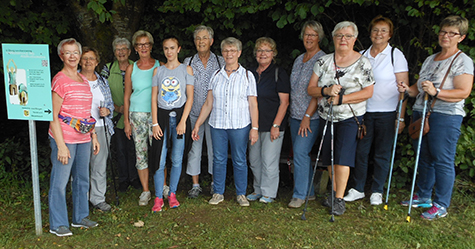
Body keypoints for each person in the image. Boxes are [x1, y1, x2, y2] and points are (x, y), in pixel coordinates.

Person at [399, 16, 473, 220]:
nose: (446, 36)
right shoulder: (430, 59)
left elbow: (463, 91)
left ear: (462, 37)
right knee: (424, 157)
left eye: (452, 33)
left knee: (442, 160)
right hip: (421, 112)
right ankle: (423, 196)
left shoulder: (462, 61)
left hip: (445, 116)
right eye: (443, 32)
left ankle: (441, 204)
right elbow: (417, 89)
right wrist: (407, 90)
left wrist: (436, 91)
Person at [307, 21, 374, 216]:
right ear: (334, 38)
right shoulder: (323, 61)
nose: (343, 39)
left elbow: (368, 92)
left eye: (347, 36)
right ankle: (335, 191)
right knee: (329, 156)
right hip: (326, 116)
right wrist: (326, 90)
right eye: (339, 35)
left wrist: (342, 99)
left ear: (354, 39)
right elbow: (310, 89)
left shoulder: (363, 63)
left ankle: (338, 198)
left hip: (349, 117)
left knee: (343, 158)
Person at [344, 16, 409, 205]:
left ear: (389, 34)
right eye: (375, 30)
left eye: (383, 30)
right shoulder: (362, 54)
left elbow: (403, 87)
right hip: (363, 111)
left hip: (387, 112)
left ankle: (377, 191)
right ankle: (358, 189)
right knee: (361, 152)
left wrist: (401, 116)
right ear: (370, 33)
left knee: (381, 153)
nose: (378, 34)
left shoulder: (395, 55)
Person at [192, 37, 258, 207]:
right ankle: (218, 192)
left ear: (239, 53)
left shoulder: (247, 75)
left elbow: (253, 104)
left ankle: (241, 194)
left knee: (239, 159)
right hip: (218, 125)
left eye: (233, 50)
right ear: (222, 53)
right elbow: (208, 103)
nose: (229, 54)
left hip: (239, 125)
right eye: (226, 51)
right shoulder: (216, 76)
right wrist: (198, 123)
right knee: (218, 159)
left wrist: (254, 128)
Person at [48, 38, 99, 236]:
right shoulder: (59, 80)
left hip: (84, 138)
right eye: (67, 53)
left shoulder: (83, 80)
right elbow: (53, 115)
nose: (72, 56)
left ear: (79, 55)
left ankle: (80, 217)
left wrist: (93, 136)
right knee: (60, 182)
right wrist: (60, 145)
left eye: (75, 52)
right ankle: (58, 224)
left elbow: (86, 113)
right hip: (65, 138)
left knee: (82, 179)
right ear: (62, 56)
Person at [150, 37, 194, 212]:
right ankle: (158, 196)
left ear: (179, 49)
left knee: (176, 159)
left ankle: (172, 194)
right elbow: (154, 98)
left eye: (172, 48)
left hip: (179, 117)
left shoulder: (186, 70)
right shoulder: (158, 71)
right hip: (161, 118)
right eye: (166, 48)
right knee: (159, 160)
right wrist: (154, 123)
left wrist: (183, 121)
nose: (169, 51)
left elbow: (190, 97)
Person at [288, 20, 327, 208]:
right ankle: (309, 192)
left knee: (301, 153)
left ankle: (299, 195)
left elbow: (317, 92)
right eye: (306, 34)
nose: (309, 38)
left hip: (310, 117)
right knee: (300, 154)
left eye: (312, 34)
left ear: (319, 37)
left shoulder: (323, 60)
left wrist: (307, 117)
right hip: (294, 115)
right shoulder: (299, 59)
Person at [247, 37, 290, 203]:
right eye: (259, 50)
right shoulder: (250, 73)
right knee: (254, 160)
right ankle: (257, 189)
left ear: (273, 53)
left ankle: (269, 193)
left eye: (266, 50)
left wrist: (276, 125)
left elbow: (284, 102)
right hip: (254, 125)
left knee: (269, 161)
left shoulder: (279, 73)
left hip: (273, 125)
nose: (262, 54)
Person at [184, 25, 225, 198]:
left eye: (204, 38)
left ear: (211, 41)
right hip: (194, 113)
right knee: (195, 148)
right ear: (194, 42)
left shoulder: (221, 61)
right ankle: (195, 185)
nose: (201, 41)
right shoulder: (188, 62)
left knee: (215, 149)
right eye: (198, 38)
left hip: (215, 114)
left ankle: (216, 183)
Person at [124, 30, 160, 206]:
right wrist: (126, 122)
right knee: (141, 153)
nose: (143, 47)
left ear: (151, 46)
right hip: (136, 114)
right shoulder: (132, 68)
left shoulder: (159, 66)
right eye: (139, 44)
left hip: (155, 115)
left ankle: (163, 186)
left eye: (146, 44)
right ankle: (146, 191)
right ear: (135, 48)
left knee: (159, 151)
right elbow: (126, 95)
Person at [101, 38, 141, 192]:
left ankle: (135, 178)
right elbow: (101, 91)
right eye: (118, 49)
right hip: (116, 116)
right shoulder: (108, 69)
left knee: (134, 148)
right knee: (120, 149)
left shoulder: (137, 67)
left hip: (135, 116)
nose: (121, 52)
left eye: (124, 49)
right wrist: (116, 108)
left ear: (130, 51)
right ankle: (124, 179)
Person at [79, 47, 115, 212]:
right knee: (81, 165)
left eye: (91, 58)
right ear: (80, 61)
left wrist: (107, 111)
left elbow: (110, 106)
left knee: (99, 166)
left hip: (101, 128)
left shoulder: (102, 81)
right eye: (85, 58)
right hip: (80, 129)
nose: (88, 62)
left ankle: (98, 198)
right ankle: (81, 198)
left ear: (97, 62)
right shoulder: (75, 80)